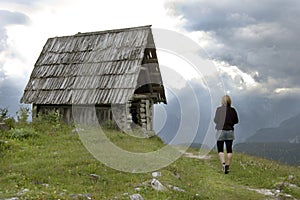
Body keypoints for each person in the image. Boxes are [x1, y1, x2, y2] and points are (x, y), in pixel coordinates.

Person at [214, 95, 239, 174]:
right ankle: (228, 165)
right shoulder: (233, 110)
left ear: (222, 101)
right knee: (229, 149)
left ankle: (223, 164)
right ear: (229, 101)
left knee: (220, 149)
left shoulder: (219, 109)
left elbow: (215, 120)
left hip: (220, 130)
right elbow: (236, 121)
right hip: (230, 131)